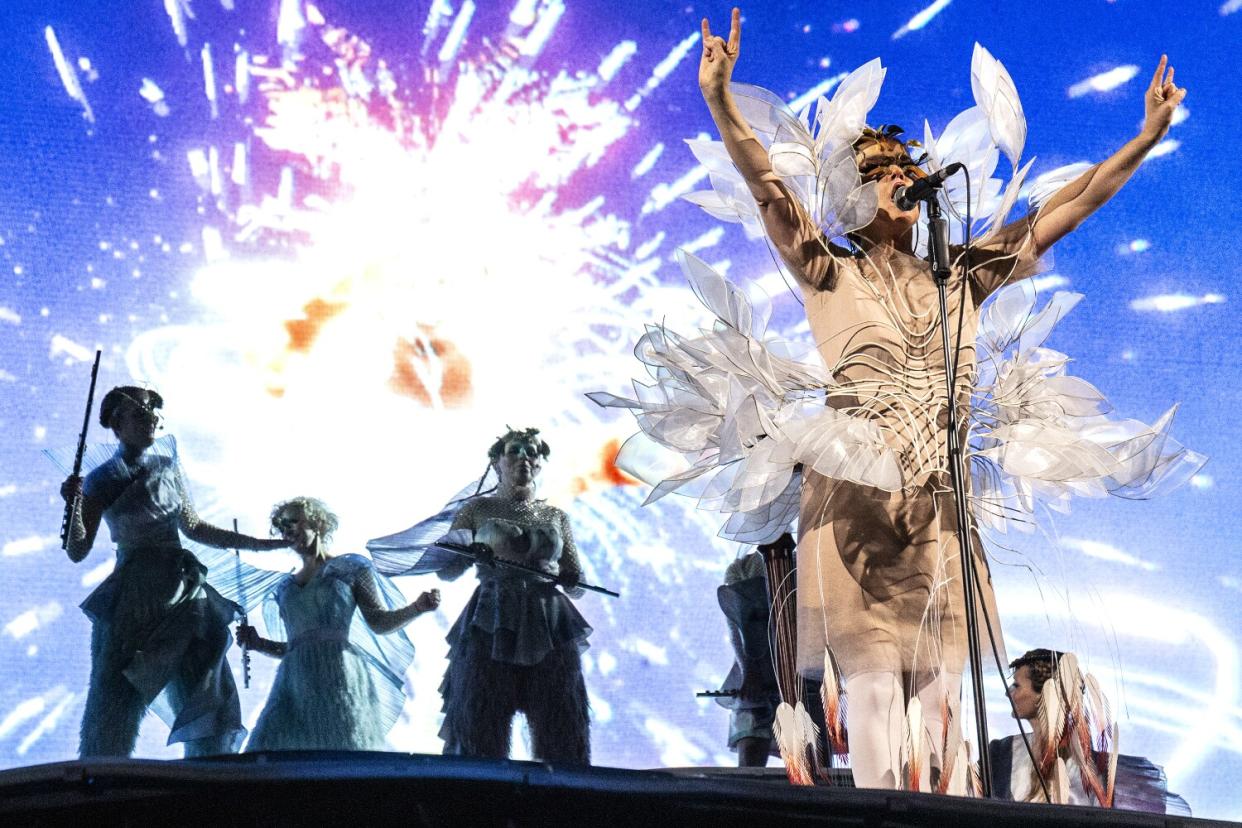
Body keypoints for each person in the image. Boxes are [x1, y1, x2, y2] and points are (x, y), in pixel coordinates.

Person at [595, 8, 1195, 790]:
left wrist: (1144, 138)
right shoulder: (828, 270)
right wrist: (719, 101)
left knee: (944, 694)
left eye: (907, 170)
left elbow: (1062, 212)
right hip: (856, 495)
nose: (903, 179)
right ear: (854, 193)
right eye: (883, 174)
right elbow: (770, 189)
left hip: (940, 496)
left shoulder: (964, 273)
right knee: (876, 687)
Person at [58, 386, 289, 757]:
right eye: (140, 413)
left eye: (154, 412)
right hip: (135, 597)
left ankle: (210, 778)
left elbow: (195, 527)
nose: (151, 419)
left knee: (207, 693)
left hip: (184, 593)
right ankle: (103, 776)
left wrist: (261, 544)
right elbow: (77, 550)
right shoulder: (102, 479)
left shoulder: (167, 467)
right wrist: (75, 505)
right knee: (118, 696)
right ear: (117, 423)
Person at [368, 427, 593, 763]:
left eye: (531, 452)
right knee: (482, 718)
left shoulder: (555, 517)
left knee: (559, 722)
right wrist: (469, 553)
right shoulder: (476, 510)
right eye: (514, 450)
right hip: (491, 618)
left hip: (548, 621)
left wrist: (571, 577)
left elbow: (577, 585)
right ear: (497, 460)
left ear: (541, 463)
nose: (523, 458)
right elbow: (447, 570)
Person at [236, 497, 440, 751]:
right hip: (294, 683)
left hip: (339, 676)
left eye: (294, 522)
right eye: (283, 527)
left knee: (341, 748)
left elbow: (378, 621)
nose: (288, 530)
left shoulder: (351, 569)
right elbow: (297, 646)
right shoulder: (285, 587)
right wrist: (258, 644)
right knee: (268, 751)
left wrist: (416, 608)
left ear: (318, 523)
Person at [991, 649, 1189, 813]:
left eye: (1016, 685)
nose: (1008, 693)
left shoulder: (1112, 776)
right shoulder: (1001, 753)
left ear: (1044, 693)